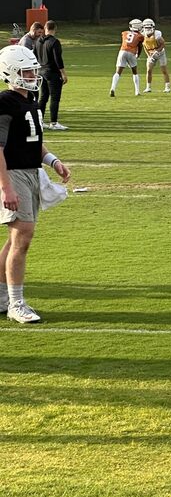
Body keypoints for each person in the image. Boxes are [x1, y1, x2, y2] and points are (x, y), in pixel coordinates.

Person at [0, 45, 72, 324]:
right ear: (10, 72)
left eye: (33, 70)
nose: (32, 75)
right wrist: (6, 187)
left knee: (15, 239)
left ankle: (4, 297)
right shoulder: (6, 102)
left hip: (30, 172)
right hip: (13, 174)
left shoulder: (29, 99)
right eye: (27, 71)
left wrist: (54, 161)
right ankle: (17, 303)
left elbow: (34, 141)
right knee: (23, 238)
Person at [34, 21, 69, 130]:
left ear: (45, 28)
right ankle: (53, 123)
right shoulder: (54, 42)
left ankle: (40, 121)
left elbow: (34, 56)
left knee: (43, 97)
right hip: (52, 73)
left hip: (41, 71)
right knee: (55, 98)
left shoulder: (38, 41)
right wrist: (63, 73)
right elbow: (57, 59)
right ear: (55, 29)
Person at [109, 19, 145, 97]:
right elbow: (140, 46)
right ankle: (137, 91)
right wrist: (138, 55)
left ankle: (112, 88)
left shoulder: (124, 33)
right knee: (134, 72)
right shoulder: (140, 36)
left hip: (122, 51)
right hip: (131, 53)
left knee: (118, 72)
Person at [141, 18, 171, 94]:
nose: (147, 29)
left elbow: (163, 44)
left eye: (149, 27)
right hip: (151, 54)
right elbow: (145, 46)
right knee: (148, 70)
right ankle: (148, 87)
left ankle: (167, 87)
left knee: (164, 70)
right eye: (146, 27)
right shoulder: (142, 34)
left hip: (160, 53)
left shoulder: (157, 34)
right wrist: (149, 56)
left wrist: (157, 51)